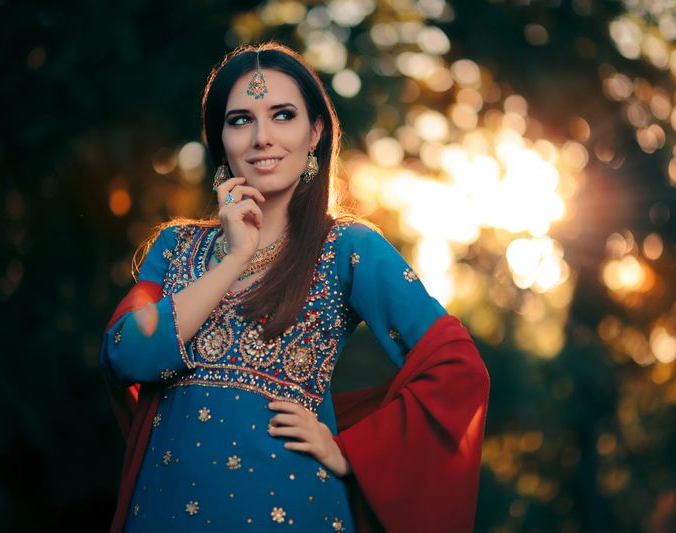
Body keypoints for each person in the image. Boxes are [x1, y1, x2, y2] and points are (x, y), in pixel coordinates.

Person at [101, 42, 490, 532]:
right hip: (163, 512)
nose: (262, 137)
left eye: (282, 115)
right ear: (221, 140)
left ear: (315, 132)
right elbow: (126, 355)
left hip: (292, 509)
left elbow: (457, 367)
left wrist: (349, 450)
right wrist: (234, 256)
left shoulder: (347, 248)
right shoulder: (175, 247)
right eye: (240, 119)